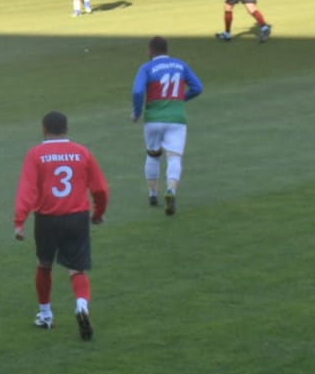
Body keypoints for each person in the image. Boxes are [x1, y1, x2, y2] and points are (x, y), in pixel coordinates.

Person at [13, 110, 108, 341]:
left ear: (44, 129)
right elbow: (100, 189)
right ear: (67, 129)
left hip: (47, 219)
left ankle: (45, 315)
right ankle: (81, 306)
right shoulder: (82, 152)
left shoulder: (36, 154)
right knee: (77, 269)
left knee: (44, 265)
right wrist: (98, 213)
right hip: (77, 217)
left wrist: (19, 221)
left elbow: (28, 190)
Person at [131, 36, 204, 216]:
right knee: (174, 158)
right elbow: (198, 87)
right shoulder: (181, 65)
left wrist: (137, 111)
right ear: (167, 50)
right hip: (176, 119)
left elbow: (138, 91)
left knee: (153, 155)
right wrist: (181, 99)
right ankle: (171, 190)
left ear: (150, 51)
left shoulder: (147, 67)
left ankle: (153, 193)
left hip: (154, 119)